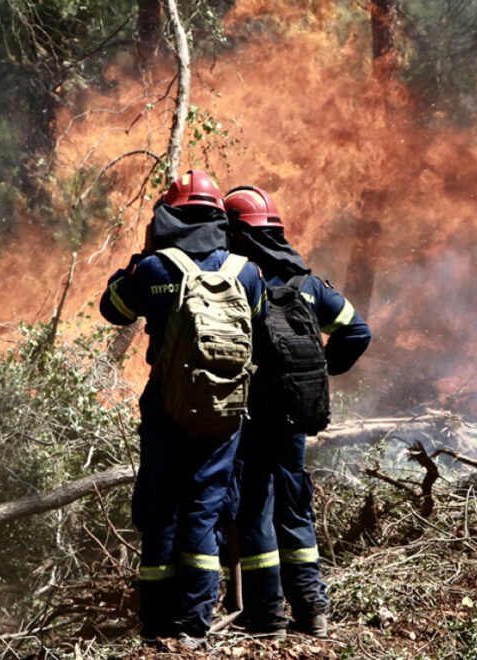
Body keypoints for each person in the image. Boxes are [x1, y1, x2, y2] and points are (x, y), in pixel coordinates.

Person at [99, 170, 267, 645]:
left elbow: (113, 309)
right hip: (225, 415)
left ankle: (156, 622)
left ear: (171, 217)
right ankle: (194, 623)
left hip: (166, 411)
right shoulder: (246, 272)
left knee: (161, 508)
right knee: (205, 509)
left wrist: (134, 264)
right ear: (218, 219)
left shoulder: (155, 270)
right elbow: (259, 323)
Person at [222, 185, 371, 637]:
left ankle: (267, 616)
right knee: (295, 510)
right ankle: (313, 611)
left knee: (256, 511)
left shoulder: (243, 281)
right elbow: (357, 332)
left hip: (253, 418)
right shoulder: (308, 284)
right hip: (294, 420)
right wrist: (319, 373)